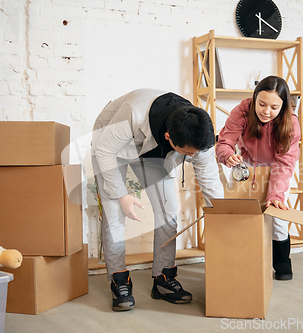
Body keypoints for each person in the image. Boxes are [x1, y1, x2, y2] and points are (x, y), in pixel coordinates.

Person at [91, 89, 224, 311]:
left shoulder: (199, 133)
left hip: (153, 152)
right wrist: (122, 195)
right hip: (111, 148)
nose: (192, 157)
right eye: (187, 153)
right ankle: (119, 279)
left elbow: (209, 178)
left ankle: (163, 278)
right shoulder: (132, 114)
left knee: (169, 211)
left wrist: (222, 213)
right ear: (169, 137)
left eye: (195, 153)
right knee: (114, 211)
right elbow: (104, 152)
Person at [215, 76, 301, 281]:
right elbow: (224, 142)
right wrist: (228, 155)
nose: (266, 111)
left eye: (274, 107)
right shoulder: (241, 111)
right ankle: (245, 262)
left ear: (283, 106)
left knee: (277, 217)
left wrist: (276, 195)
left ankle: (282, 266)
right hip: (248, 169)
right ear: (254, 99)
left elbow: (285, 162)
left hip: (277, 171)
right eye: (261, 104)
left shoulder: (291, 123)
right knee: (246, 218)